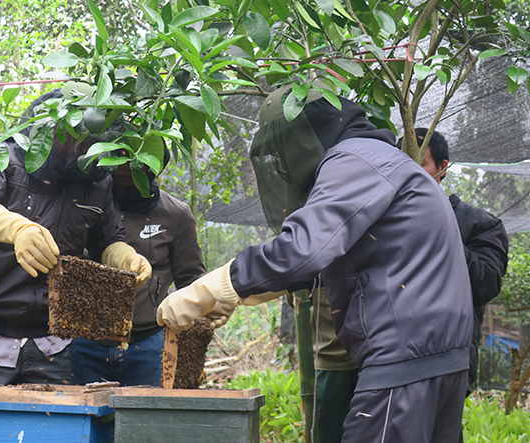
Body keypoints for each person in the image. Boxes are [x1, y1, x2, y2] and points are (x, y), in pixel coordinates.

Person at [158, 85, 474, 442]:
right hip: (440, 357)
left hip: (404, 360)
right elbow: (326, 259)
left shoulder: (353, 160)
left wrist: (213, 285)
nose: (281, 164)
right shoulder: (382, 159)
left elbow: (303, 249)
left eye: (281, 152)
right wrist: (232, 296)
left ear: (301, 136)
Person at [0, 90, 151, 443]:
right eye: (75, 135)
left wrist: (124, 258)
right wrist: (15, 227)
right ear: (50, 127)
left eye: (90, 138)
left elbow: (106, 239)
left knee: (55, 435)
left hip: (54, 344)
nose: (83, 145)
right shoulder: (5, 152)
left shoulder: (97, 181)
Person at [402, 127, 509, 441]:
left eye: (419, 164)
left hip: (446, 364)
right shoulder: (384, 221)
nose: (407, 174)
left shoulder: (479, 224)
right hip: (388, 363)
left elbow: (486, 283)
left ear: (443, 168)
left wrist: (437, 228)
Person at [70, 147, 207, 386]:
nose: (127, 164)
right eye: (120, 154)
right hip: (85, 342)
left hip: (149, 344)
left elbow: (191, 278)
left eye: (137, 156)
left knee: (144, 421)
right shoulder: (84, 205)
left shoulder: (175, 214)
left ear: (155, 162)